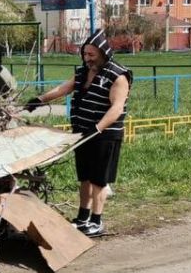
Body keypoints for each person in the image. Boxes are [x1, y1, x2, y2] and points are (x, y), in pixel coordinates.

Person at [26, 29, 129, 237]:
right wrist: (39, 100)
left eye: (92, 55)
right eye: (85, 54)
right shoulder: (83, 72)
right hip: (82, 133)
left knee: (99, 180)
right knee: (84, 177)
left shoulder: (118, 75)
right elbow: (63, 89)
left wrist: (97, 128)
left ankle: (96, 221)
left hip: (105, 135)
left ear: (103, 54)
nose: (87, 58)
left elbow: (116, 108)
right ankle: (83, 218)